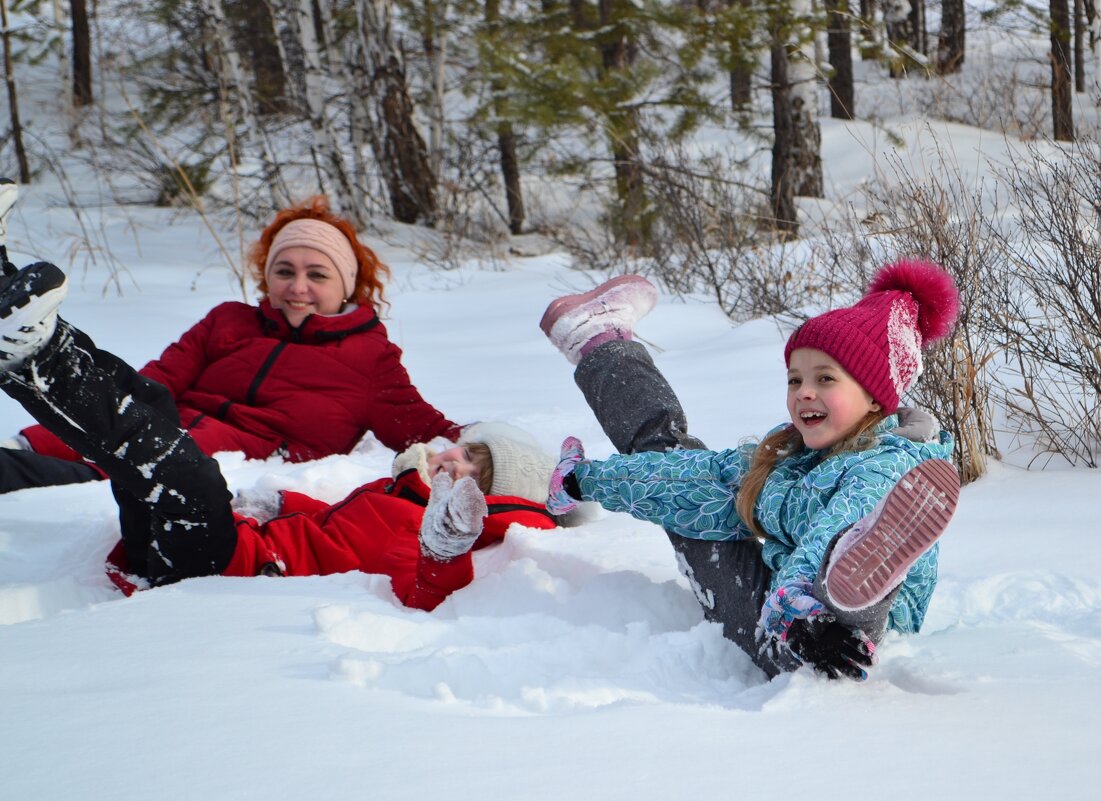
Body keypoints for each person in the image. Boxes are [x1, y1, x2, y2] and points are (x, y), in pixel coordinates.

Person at [0, 261, 556, 609]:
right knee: (152, 407)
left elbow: (427, 593)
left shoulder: (424, 528)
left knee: (180, 466)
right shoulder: (399, 497)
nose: (458, 464)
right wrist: (284, 502)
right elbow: (334, 531)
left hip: (229, 566)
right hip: (230, 545)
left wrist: (446, 545)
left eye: (478, 474)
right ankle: (30, 331)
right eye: (468, 452)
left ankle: (32, 358)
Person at [537, 263, 962, 680]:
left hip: (826, 639)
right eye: (795, 380)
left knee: (842, 545)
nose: (804, 392)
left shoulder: (890, 469)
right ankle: (828, 603)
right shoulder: (788, 458)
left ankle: (847, 604)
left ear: (874, 399)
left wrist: (795, 604)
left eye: (825, 379)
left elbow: (835, 526)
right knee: (692, 488)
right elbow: (694, 476)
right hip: (788, 621)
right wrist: (585, 480)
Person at [0, 193, 462, 493]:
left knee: (23, 475)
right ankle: (26, 323)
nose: (297, 287)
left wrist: (489, 447)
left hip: (191, 465)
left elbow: (427, 430)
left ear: (347, 287)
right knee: (109, 400)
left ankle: (38, 343)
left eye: (316, 275)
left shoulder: (370, 359)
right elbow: (153, 382)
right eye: (284, 272)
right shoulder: (230, 320)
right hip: (144, 428)